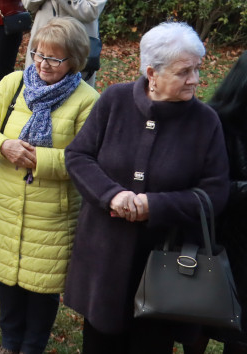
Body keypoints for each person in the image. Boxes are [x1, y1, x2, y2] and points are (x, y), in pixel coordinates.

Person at [64, 22, 230, 354]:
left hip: (165, 266)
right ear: (152, 73)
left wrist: (154, 205)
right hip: (106, 255)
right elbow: (78, 155)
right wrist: (114, 194)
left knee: (151, 344)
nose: (196, 80)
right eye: (185, 72)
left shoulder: (205, 121)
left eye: (197, 69)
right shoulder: (115, 100)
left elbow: (215, 193)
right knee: (100, 343)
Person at [0, 17, 99, 354]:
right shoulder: (14, 84)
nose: (43, 64)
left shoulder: (87, 100)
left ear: (75, 61)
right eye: (38, 53)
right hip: (6, 205)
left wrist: (40, 160)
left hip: (52, 213)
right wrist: (3, 146)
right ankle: (9, 345)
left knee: (42, 289)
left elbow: (86, 158)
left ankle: (31, 349)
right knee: (8, 282)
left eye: (54, 58)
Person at [187, 45, 247, 354]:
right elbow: (206, 188)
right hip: (222, 243)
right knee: (203, 322)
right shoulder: (221, 124)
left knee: (244, 329)